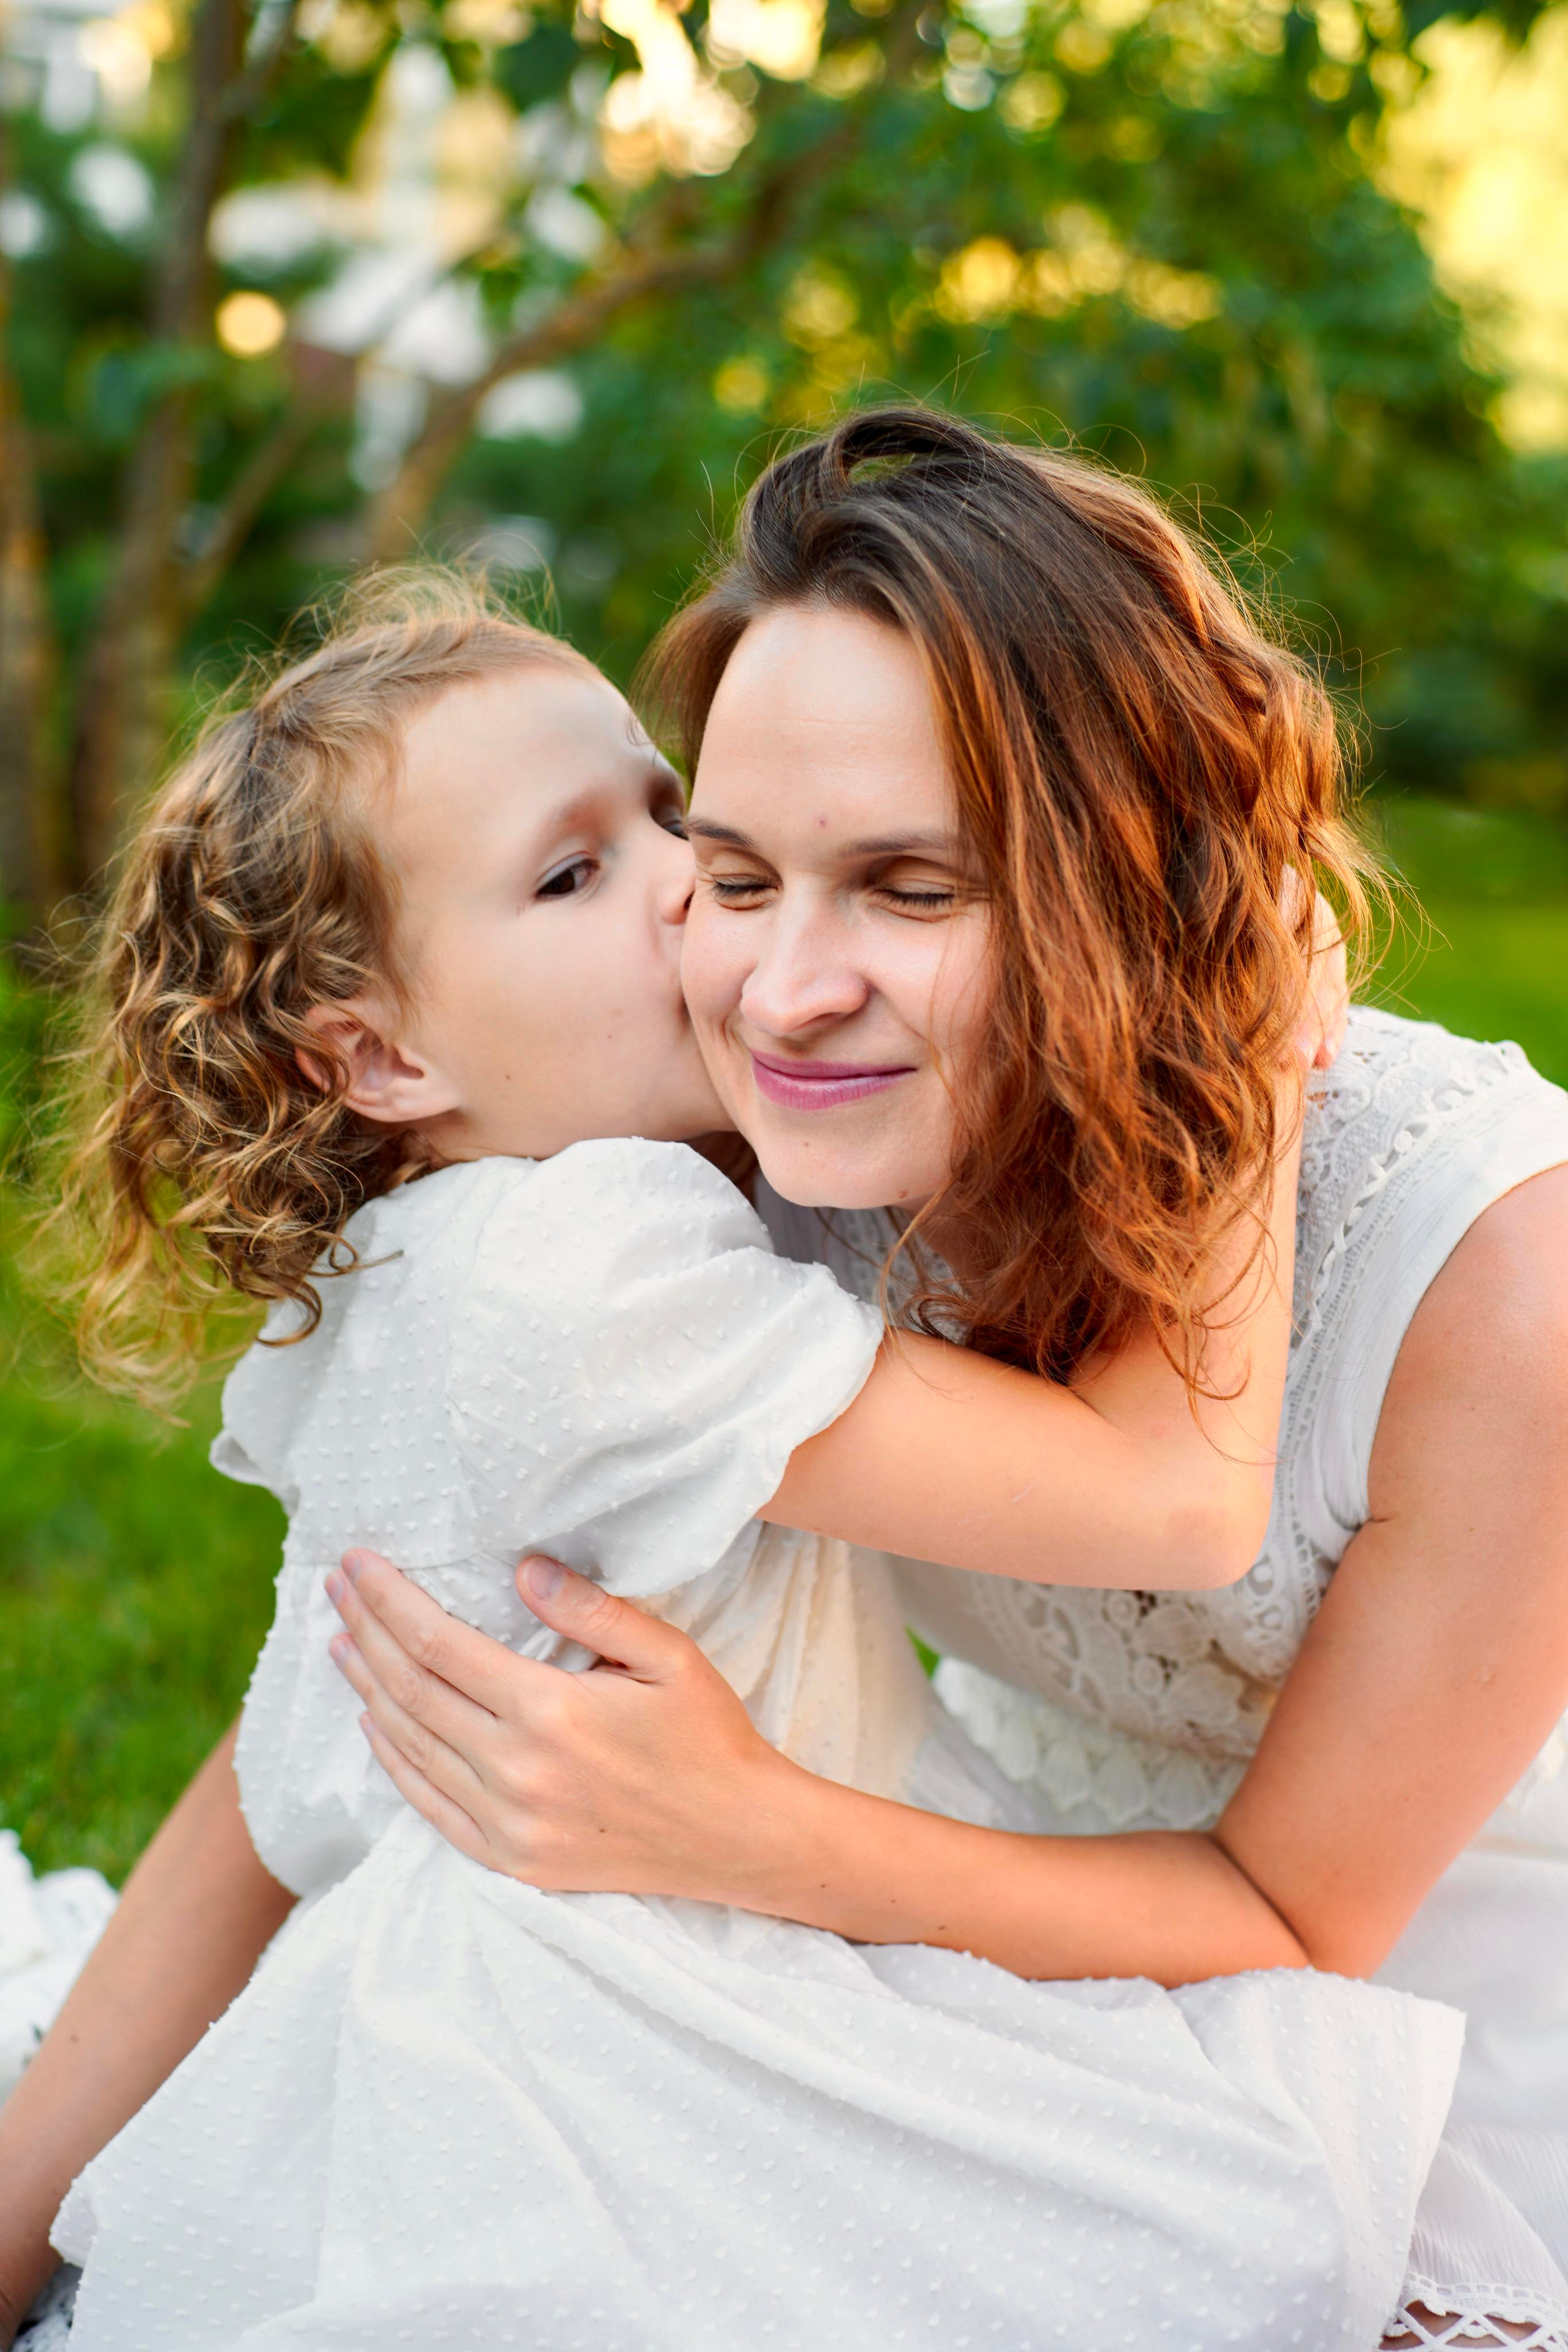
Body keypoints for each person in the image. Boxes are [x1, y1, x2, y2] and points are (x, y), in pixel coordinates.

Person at [7, 405, 1562, 2344]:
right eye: (735, 869)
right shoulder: (730, 1152)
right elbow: (385, 1658)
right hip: (938, 1915)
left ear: (1135, 890)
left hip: (1395, 1972)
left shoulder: (1500, 1276)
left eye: (912, 888)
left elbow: (1295, 1912)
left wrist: (760, 1837)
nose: (772, 982)